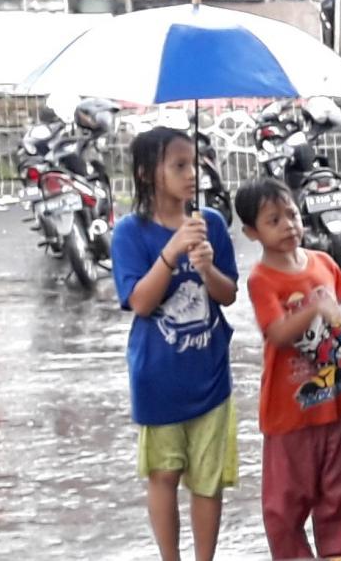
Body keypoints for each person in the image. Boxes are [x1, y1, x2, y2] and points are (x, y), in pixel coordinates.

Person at [111, 126, 239, 561]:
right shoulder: (131, 233)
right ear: (149, 173)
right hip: (157, 377)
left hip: (210, 376)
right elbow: (141, 302)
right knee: (164, 473)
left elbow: (228, 294)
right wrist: (172, 252)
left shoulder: (212, 225)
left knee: (208, 480)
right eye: (179, 165)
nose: (192, 175)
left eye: (195, 164)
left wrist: (207, 268)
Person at [234, 178, 341, 560]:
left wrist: (324, 314)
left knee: (337, 487)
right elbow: (277, 333)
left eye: (291, 214)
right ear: (252, 232)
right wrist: (312, 309)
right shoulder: (262, 279)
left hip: (335, 395)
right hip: (289, 410)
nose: (288, 225)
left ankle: (340, 553)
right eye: (274, 220)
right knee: (285, 501)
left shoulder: (323, 262)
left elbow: (338, 312)